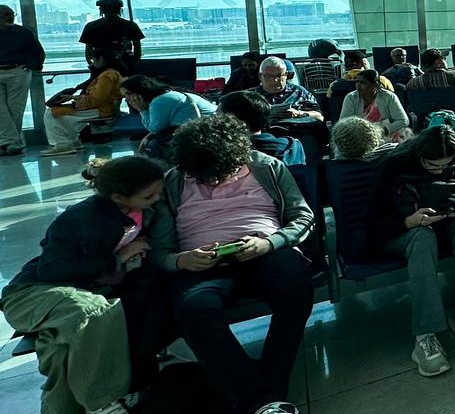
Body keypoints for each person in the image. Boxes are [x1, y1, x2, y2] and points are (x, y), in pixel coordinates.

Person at [150, 115, 314, 414]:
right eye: (204, 177)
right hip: (201, 261)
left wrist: (270, 242)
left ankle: (265, 395)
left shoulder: (267, 167)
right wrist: (182, 260)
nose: (212, 181)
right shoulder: (174, 181)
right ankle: (264, 399)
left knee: (296, 287)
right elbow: (160, 250)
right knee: (193, 309)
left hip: (265, 249)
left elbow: (302, 217)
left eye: (219, 174)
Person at [1, 156, 170, 414]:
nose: (157, 199)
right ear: (118, 197)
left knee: (61, 353)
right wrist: (116, 260)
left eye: (159, 192)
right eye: (149, 196)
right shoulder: (80, 218)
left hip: (82, 294)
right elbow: (51, 269)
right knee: (93, 312)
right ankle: (104, 402)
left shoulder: (141, 213)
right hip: (34, 292)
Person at [370, 125, 455, 376]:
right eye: (432, 165)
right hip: (401, 231)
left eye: (445, 166)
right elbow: (373, 223)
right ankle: (425, 336)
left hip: (444, 224)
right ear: (419, 155)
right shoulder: (393, 166)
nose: (440, 171)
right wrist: (409, 221)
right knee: (422, 237)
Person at [42, 50, 126, 157]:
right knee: (61, 114)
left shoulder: (106, 76)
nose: (92, 63)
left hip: (100, 109)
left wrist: (74, 100)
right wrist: (74, 98)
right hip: (105, 108)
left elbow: (97, 99)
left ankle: (63, 144)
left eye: (93, 59)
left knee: (51, 113)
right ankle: (72, 142)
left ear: (101, 59)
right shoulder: (112, 73)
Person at [120, 75, 216, 159]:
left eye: (128, 94)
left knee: (154, 146)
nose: (127, 99)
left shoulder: (160, 101)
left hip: (207, 127)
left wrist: (142, 109)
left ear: (139, 91)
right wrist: (148, 136)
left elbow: (154, 129)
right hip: (207, 123)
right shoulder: (165, 94)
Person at [0, 4, 43, 155]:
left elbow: (38, 52)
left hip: (18, 71)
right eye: (5, 14)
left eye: (11, 14)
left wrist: (31, 66)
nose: (9, 17)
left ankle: (7, 143)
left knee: (15, 109)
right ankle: (12, 142)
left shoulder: (23, 33)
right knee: (2, 111)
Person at [218, 91, 306, 165]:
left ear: (232, 120)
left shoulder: (232, 158)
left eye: (218, 116)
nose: (214, 121)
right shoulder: (294, 145)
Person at [340, 69, 411, 143]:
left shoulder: (389, 97)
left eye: (362, 83)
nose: (358, 86)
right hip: (360, 136)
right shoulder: (351, 98)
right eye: (357, 82)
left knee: (406, 133)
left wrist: (383, 130)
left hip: (386, 134)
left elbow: (403, 120)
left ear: (375, 84)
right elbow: (344, 123)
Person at [78, 0, 143, 68]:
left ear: (101, 10)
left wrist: (93, 65)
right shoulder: (130, 25)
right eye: (107, 8)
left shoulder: (91, 26)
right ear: (119, 10)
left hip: (105, 64)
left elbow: (88, 52)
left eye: (112, 8)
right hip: (123, 65)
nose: (109, 11)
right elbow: (137, 48)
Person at [255, 56, 322, 124]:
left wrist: (299, 113)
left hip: (295, 131)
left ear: (286, 75)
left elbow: (320, 117)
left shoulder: (300, 92)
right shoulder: (250, 96)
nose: (275, 80)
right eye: (269, 76)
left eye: (279, 76)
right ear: (260, 76)